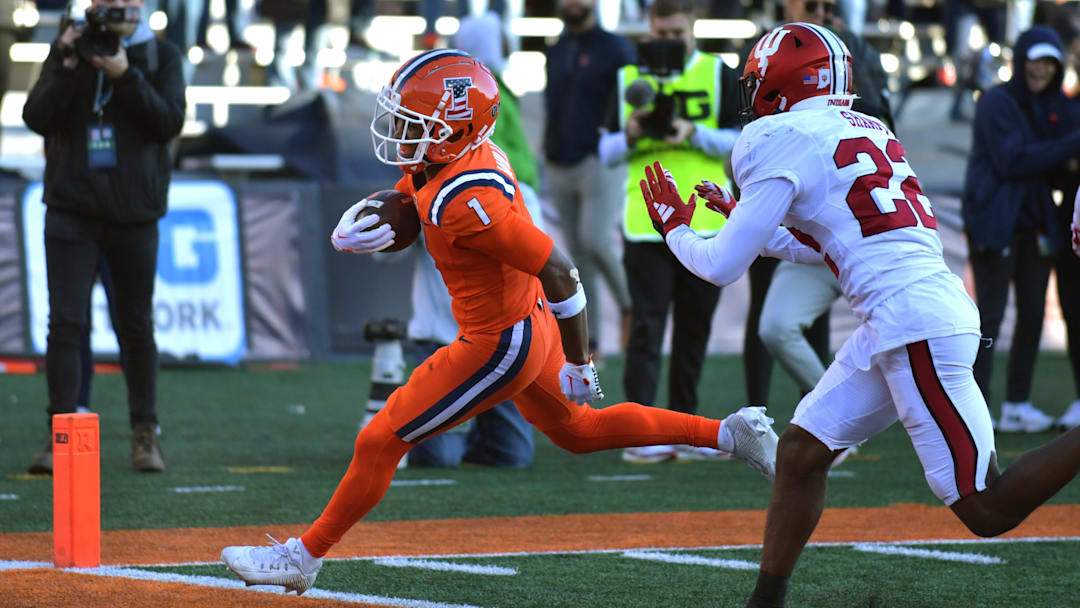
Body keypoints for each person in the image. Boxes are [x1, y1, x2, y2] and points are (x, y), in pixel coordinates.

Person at [219, 49, 779, 594]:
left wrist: (582, 363)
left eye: (414, 122)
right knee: (580, 432)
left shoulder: (466, 200)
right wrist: (379, 211)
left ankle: (303, 557)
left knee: (380, 438)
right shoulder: (456, 160)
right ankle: (731, 434)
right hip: (522, 322)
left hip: (499, 341)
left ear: (452, 131)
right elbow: (418, 190)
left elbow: (563, 272)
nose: (400, 131)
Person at [637, 23, 1080, 607]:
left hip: (915, 325)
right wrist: (756, 222)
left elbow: (719, 266)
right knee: (800, 453)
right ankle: (764, 602)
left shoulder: (776, 135)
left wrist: (675, 227)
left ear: (781, 86)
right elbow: (831, 246)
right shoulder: (868, 127)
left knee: (985, 506)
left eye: (758, 84)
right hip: (902, 318)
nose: (752, 98)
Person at [23, 0, 185, 474]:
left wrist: (124, 75)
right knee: (66, 325)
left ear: (139, 13)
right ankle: (61, 435)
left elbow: (168, 122)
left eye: (124, 8)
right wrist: (62, 58)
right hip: (72, 210)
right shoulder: (71, 54)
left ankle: (144, 434)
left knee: (135, 326)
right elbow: (37, 115)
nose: (114, 18)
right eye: (106, 9)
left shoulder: (160, 56)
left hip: (134, 215)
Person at [597, 0, 740, 463]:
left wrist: (693, 133)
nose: (668, 42)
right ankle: (639, 432)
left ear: (693, 28)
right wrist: (632, 135)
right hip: (645, 224)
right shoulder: (626, 79)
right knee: (646, 329)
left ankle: (686, 428)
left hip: (705, 223)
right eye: (660, 34)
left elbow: (744, 141)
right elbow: (605, 151)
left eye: (676, 33)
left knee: (693, 330)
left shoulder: (719, 73)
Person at [757, 0, 894, 400]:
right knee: (774, 325)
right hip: (815, 233)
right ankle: (832, 413)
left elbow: (719, 263)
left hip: (868, 238)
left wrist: (682, 232)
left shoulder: (861, 112)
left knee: (902, 342)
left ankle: (842, 414)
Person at [963, 26, 1080, 433]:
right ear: (1021, 60)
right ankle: (973, 408)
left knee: (1031, 316)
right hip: (995, 226)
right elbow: (1013, 160)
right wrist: (1070, 146)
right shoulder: (997, 100)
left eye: (1050, 62)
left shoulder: (1053, 106)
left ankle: (1016, 404)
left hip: (1034, 229)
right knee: (989, 321)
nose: (1042, 69)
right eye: (1036, 60)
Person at [544, 0, 635, 359]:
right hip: (559, 159)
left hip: (599, 159)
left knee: (595, 240)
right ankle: (590, 340)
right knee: (576, 259)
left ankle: (633, 308)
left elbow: (632, 104)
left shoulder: (616, 48)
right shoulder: (557, 48)